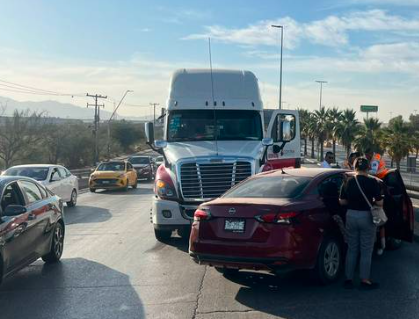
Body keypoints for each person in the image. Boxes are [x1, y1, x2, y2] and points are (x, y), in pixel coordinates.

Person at [339, 157, 383, 290]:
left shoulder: (348, 181)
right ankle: (364, 280)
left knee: (352, 249)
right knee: (366, 250)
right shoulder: (372, 182)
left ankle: (348, 279)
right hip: (366, 217)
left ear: (354, 167)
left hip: (351, 216)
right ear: (368, 168)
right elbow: (380, 203)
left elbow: (341, 201)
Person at [365, 148, 388, 255]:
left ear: (370, 153)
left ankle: (381, 245)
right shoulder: (373, 158)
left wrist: (362, 172)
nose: (366, 158)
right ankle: (379, 245)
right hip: (379, 184)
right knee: (377, 222)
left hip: (381, 183)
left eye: (367, 155)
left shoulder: (375, 159)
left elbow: (373, 173)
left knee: (379, 220)